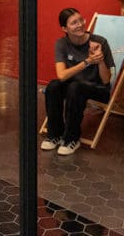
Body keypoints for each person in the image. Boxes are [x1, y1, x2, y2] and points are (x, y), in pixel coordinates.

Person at [42, 8, 114, 156]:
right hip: (74, 86)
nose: (80, 25)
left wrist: (99, 59)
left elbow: (106, 80)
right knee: (53, 86)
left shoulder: (99, 42)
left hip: (98, 89)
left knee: (75, 88)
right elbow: (62, 76)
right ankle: (55, 134)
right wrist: (87, 62)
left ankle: (71, 138)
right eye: (74, 23)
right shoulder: (61, 44)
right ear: (65, 28)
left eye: (81, 20)